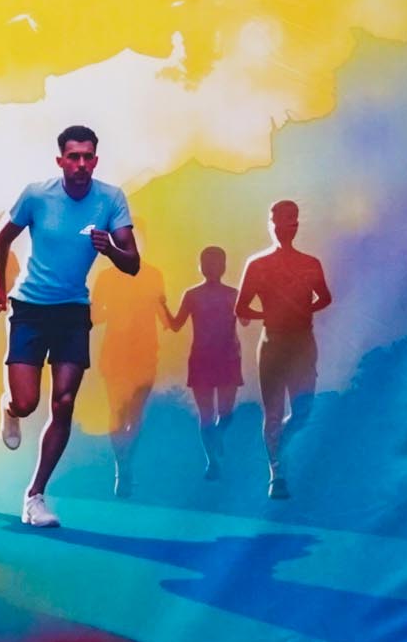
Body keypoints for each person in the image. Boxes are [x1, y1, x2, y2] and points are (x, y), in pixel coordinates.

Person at [0, 125, 139, 531]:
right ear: (60, 161)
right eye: (73, 157)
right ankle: (10, 407)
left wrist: (111, 248)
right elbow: (2, 239)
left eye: (88, 157)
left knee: (64, 402)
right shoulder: (37, 195)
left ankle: (35, 495)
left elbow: (132, 263)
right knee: (27, 403)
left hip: (72, 311)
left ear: (96, 160)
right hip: (30, 308)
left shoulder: (110, 199)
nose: (81, 164)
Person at [236, 200, 336, 499]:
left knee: (303, 411)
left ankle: (282, 451)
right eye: (278, 221)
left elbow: (325, 297)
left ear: (296, 225)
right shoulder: (258, 265)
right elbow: (241, 308)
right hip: (273, 343)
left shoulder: (310, 264)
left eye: (290, 220)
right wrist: (269, 314)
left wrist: (304, 309)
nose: (284, 227)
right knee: (273, 412)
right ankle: (276, 474)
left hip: (302, 343)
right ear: (271, 225)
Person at [91, 242, 170, 496]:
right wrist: (115, 311)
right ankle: (121, 466)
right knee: (118, 412)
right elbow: (93, 316)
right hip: (115, 354)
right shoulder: (106, 277)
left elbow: (163, 315)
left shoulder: (153, 274)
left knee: (135, 414)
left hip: (145, 354)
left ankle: (126, 466)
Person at [168, 245, 246, 481]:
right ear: (200, 266)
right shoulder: (192, 295)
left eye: (216, 263)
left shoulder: (234, 294)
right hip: (202, 359)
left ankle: (217, 437)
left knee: (226, 413)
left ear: (224, 267)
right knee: (206, 415)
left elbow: (245, 320)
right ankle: (212, 461)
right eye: (207, 263)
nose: (211, 267)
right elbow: (176, 325)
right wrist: (161, 306)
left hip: (228, 358)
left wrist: (254, 299)